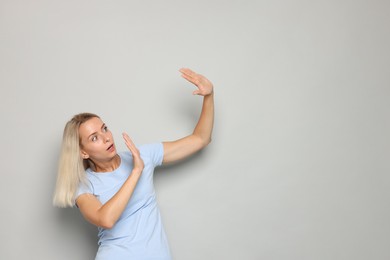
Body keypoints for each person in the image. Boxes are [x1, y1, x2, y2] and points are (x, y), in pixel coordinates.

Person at [52, 68, 214, 260]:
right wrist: (136, 171)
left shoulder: (143, 155)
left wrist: (209, 96)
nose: (106, 138)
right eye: (94, 138)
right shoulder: (84, 185)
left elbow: (200, 139)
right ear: (83, 152)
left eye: (104, 128)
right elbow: (106, 219)